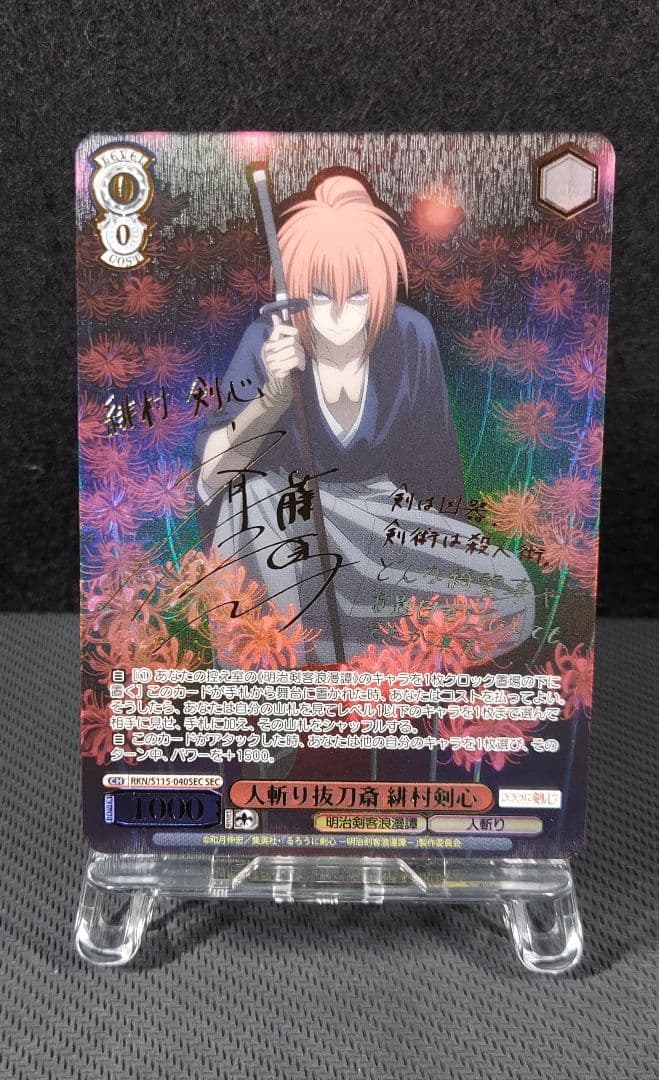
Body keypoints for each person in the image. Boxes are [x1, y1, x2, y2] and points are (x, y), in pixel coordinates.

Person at [196, 171, 534, 663]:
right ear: (295, 289)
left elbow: (437, 469)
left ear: (381, 287)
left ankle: (368, 658)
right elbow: (213, 476)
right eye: (319, 294)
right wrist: (271, 399)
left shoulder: (410, 335)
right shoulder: (269, 340)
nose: (339, 315)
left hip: (381, 520)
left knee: (510, 589)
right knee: (251, 499)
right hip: (289, 527)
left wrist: (446, 549)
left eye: (357, 294)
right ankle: (283, 671)